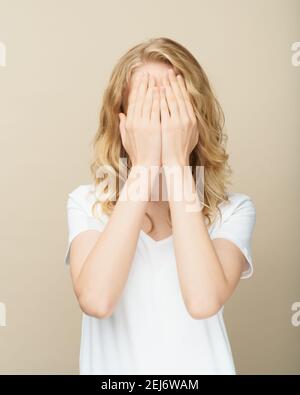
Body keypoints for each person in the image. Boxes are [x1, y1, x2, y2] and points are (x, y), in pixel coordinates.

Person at [64, 37, 256, 375]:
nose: (160, 120)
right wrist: (144, 165)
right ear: (122, 121)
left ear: (194, 119)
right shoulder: (87, 204)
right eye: (146, 109)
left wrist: (177, 165)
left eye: (171, 106)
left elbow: (202, 302)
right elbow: (96, 299)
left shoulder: (233, 211)